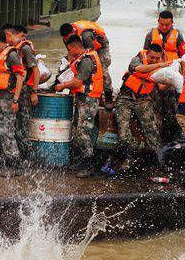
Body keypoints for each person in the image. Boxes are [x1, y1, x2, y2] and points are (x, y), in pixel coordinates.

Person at [54, 34, 103, 177]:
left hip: (89, 100)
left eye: (70, 50)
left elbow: (76, 83)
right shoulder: (82, 57)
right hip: (82, 98)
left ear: (75, 47)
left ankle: (89, 163)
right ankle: (81, 159)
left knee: (83, 132)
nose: (69, 53)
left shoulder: (87, 60)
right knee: (76, 130)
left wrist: (62, 85)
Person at [115, 43, 171, 165]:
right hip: (125, 98)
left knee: (152, 130)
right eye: (152, 57)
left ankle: (160, 161)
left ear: (160, 57)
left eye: (157, 58)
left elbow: (161, 88)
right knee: (123, 131)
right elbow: (139, 69)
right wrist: (160, 64)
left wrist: (172, 80)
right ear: (147, 53)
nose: (154, 60)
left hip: (143, 99)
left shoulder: (161, 68)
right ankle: (129, 158)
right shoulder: (137, 60)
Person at [0, 30, 25, 174]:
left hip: (8, 98)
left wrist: (15, 100)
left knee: (6, 132)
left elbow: (20, 78)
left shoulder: (12, 55)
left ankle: (15, 164)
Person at [4, 24, 39, 164]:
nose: (8, 40)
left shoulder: (25, 48)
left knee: (22, 127)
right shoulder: (12, 50)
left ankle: (30, 159)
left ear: (18, 35)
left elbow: (36, 71)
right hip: (16, 91)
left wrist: (34, 92)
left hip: (24, 92)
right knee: (15, 126)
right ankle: (19, 156)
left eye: (10, 36)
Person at [59, 21, 112, 102]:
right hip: (84, 45)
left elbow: (92, 55)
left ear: (72, 33)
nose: (66, 40)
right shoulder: (66, 38)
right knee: (73, 64)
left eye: (67, 38)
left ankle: (108, 94)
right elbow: (71, 53)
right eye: (64, 39)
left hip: (100, 46)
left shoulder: (86, 35)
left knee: (101, 68)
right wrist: (66, 69)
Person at [144, 10, 185, 77]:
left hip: (173, 72)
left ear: (172, 23)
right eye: (161, 24)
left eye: (167, 25)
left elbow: (183, 57)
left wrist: (183, 75)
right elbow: (144, 54)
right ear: (158, 21)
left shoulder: (178, 35)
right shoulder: (150, 35)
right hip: (155, 71)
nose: (164, 27)